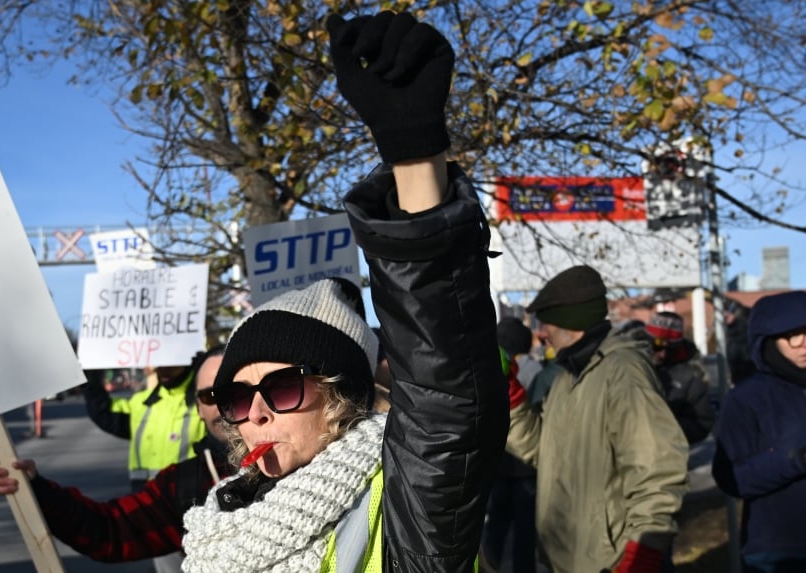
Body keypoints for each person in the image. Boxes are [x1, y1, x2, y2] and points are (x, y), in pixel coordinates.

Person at [179, 12, 506, 572]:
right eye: (237, 397)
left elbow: (445, 395)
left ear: (339, 398)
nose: (252, 415)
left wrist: (413, 156)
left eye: (281, 388)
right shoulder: (219, 522)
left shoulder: (405, 507)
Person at [505, 264, 688, 572]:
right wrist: (511, 398)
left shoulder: (623, 373)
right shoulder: (568, 376)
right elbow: (541, 450)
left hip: (610, 561)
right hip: (568, 557)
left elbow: (657, 469)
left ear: (569, 322)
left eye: (546, 321)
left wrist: (641, 552)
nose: (541, 332)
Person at [0, 346, 231, 563]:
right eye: (209, 396)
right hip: (166, 507)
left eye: (233, 390)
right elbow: (109, 532)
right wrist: (37, 489)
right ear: (199, 407)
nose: (222, 404)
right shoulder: (186, 484)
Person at [711, 291, 806, 573]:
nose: (803, 344)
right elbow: (731, 479)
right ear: (768, 341)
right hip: (779, 553)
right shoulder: (747, 398)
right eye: (792, 335)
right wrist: (794, 460)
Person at [83, 356, 207, 496]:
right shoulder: (140, 402)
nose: (163, 370)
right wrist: (90, 375)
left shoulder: (204, 401)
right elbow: (103, 412)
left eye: (170, 364)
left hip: (190, 494)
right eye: (158, 364)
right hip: (145, 496)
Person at [483, 319, 539, 573]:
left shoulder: (484, 365)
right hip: (526, 464)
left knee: (496, 525)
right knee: (525, 532)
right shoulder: (534, 371)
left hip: (498, 460)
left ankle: (489, 567)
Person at [643, 311, 715, 444]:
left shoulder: (692, 374)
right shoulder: (627, 364)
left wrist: (667, 426)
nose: (663, 354)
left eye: (671, 349)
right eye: (657, 346)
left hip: (668, 453)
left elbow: (702, 423)